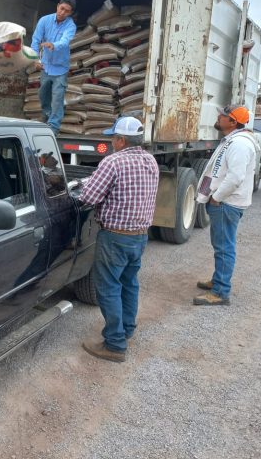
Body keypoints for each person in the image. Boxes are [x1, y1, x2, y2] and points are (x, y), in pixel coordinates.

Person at [78, 116, 159, 363]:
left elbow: (89, 198)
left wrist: (79, 187)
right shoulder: (150, 161)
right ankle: (127, 329)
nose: (112, 141)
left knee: (109, 287)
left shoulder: (112, 162)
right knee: (129, 283)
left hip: (115, 237)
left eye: (113, 137)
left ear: (121, 140)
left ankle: (114, 344)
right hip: (139, 236)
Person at [193, 104, 258, 306]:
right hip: (226, 202)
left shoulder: (239, 144)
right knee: (221, 245)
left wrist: (217, 197)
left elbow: (235, 177)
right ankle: (218, 281)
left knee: (224, 248)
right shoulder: (234, 141)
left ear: (232, 122)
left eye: (223, 115)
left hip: (227, 203)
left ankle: (221, 292)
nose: (219, 117)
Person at [31, 0, 77, 135]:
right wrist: (35, 60)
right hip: (46, 67)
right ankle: (47, 114)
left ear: (70, 13)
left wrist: (53, 45)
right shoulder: (44, 21)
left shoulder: (70, 26)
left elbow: (65, 41)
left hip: (60, 69)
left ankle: (53, 127)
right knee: (43, 95)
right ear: (57, 6)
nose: (63, 12)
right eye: (61, 8)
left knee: (57, 98)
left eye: (67, 11)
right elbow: (36, 40)